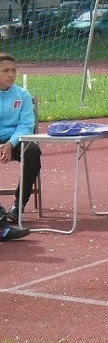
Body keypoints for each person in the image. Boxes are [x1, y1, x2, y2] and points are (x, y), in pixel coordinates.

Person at [0, 52, 41, 225]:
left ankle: (17, 207)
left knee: (33, 150)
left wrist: (10, 144)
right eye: (5, 70)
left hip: (15, 139)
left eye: (14, 70)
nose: (11, 74)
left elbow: (26, 125)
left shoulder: (22, 95)